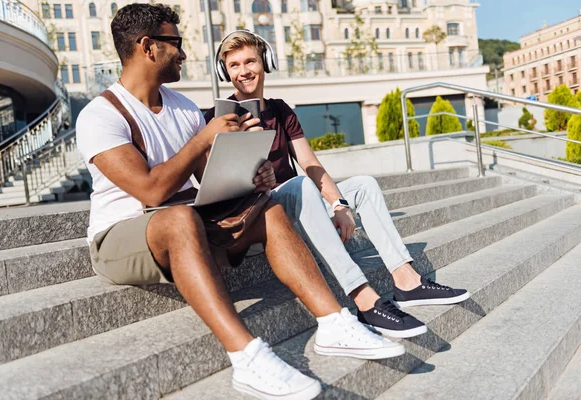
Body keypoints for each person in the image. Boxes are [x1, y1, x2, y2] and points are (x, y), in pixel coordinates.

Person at [76, 5, 405, 400]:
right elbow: (150, 191)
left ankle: (334, 322)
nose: (183, 53)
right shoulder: (100, 115)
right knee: (178, 218)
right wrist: (203, 138)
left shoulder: (181, 108)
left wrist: (255, 176)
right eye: (175, 43)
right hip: (122, 237)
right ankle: (246, 357)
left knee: (268, 207)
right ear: (148, 47)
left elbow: (206, 177)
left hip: (190, 220)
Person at [205, 30, 470, 339]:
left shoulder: (280, 110)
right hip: (264, 210)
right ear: (225, 71)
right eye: (234, 65)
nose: (243, 71)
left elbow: (310, 163)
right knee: (301, 186)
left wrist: (338, 204)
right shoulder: (220, 117)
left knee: (365, 185)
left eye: (249, 61)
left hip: (299, 198)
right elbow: (216, 182)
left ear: (266, 63)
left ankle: (407, 281)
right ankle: (363, 298)